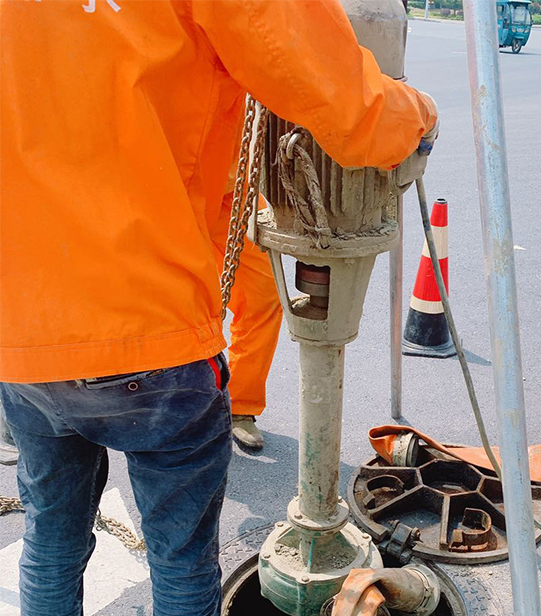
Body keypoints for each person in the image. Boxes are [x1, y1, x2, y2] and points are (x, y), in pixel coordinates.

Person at [0, 2, 438, 615]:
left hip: (23, 335)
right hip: (153, 328)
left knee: (49, 542)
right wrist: (417, 115)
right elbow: (344, 101)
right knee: (179, 563)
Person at [211, 162, 283, 450]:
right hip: (165, 188)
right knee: (173, 300)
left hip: (233, 186)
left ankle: (240, 402)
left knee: (262, 299)